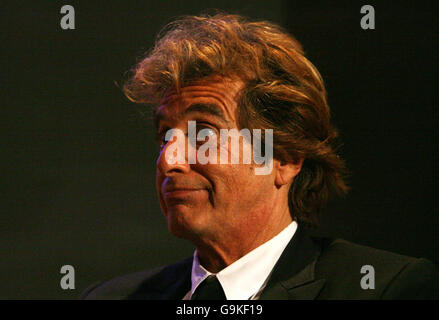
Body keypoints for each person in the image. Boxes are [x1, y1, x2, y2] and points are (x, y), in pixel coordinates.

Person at [81, 13, 439, 300]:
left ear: (283, 156)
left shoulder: (388, 289)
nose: (167, 160)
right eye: (165, 137)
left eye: (202, 133)